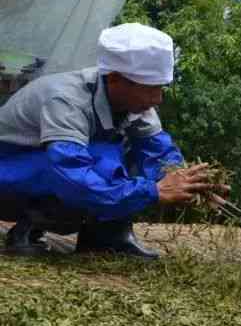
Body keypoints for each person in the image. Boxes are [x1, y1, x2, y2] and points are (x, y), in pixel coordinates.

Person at [0, 23, 222, 259]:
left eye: (160, 88)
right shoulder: (65, 99)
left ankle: (107, 236)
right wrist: (153, 191)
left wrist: (192, 185)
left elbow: (160, 155)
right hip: (10, 172)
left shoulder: (136, 103)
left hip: (46, 169)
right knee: (101, 164)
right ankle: (28, 228)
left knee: (122, 154)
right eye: (151, 88)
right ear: (115, 79)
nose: (157, 99)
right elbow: (71, 174)